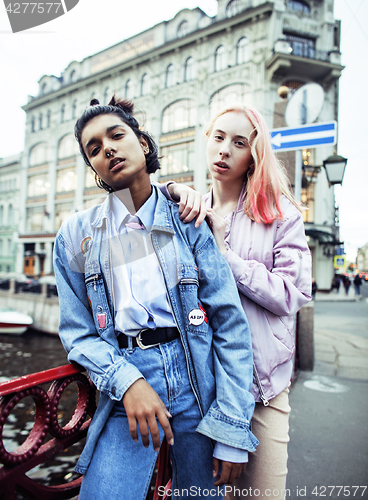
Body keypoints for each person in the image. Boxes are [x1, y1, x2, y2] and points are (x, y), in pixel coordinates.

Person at [53, 97, 258, 500]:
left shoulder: (185, 220)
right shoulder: (76, 235)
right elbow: (77, 335)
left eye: (117, 135)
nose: (107, 149)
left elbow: (230, 324)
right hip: (126, 377)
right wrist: (126, 382)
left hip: (196, 377)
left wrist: (232, 427)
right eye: (93, 149)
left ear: (143, 143)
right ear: (93, 168)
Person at [166, 103, 312, 499]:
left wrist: (223, 256)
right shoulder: (187, 211)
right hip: (202, 387)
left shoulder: (281, 214)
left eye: (238, 142)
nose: (224, 150)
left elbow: (291, 293)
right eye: (218, 137)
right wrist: (172, 189)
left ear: (254, 154)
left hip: (261, 388)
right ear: (206, 141)